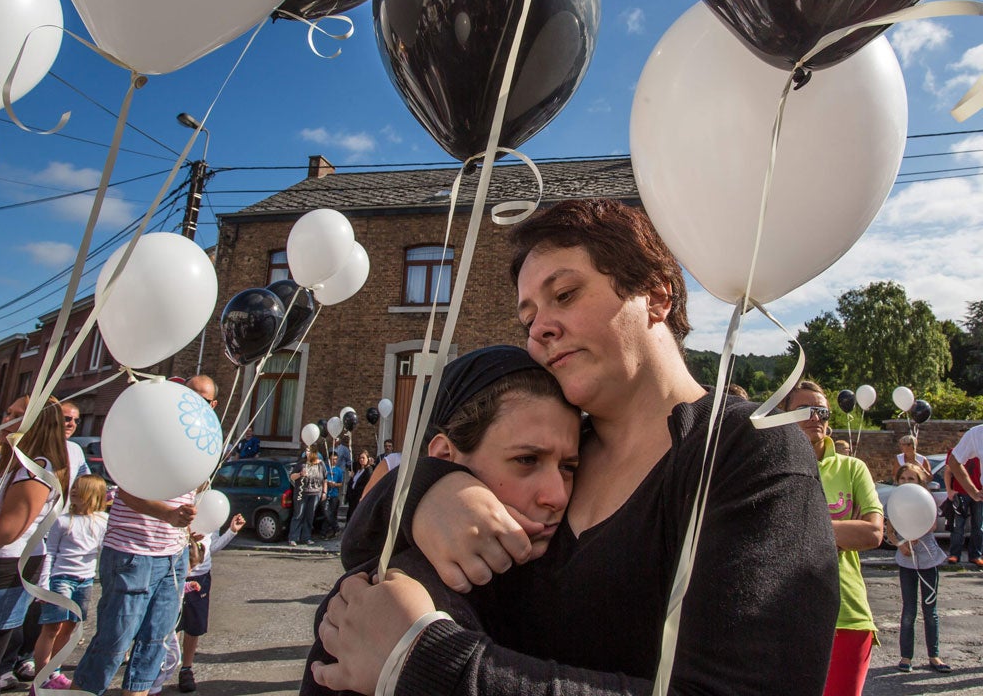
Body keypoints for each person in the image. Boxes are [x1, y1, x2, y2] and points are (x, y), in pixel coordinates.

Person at [313, 198, 839, 696]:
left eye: (564, 295)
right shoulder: (552, 458)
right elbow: (362, 575)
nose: (540, 328)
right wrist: (428, 489)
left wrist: (426, 664)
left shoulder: (751, 452)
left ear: (656, 295)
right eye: (527, 317)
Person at [301, 345, 581, 696]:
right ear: (445, 456)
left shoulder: (572, 564)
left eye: (569, 468)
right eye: (527, 460)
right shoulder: (392, 604)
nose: (556, 495)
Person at [70, 377, 212, 696]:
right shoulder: (154, 433)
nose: (197, 403)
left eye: (205, 400)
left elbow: (187, 502)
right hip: (131, 553)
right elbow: (126, 489)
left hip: (172, 557)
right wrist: (168, 515)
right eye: (191, 395)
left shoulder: (202, 444)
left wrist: (188, 533)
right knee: (113, 644)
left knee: (155, 646)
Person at [0, 397, 69, 696]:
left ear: (39, 422)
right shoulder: (4, 459)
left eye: (19, 414)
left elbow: (6, 531)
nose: (8, 418)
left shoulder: (37, 468)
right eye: (8, 411)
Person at [784, 380, 883, 696]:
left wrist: (803, 530)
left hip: (847, 615)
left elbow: (873, 532)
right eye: (805, 410)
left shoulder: (853, 468)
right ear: (782, 415)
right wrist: (840, 533)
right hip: (782, 615)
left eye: (822, 411)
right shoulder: (770, 467)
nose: (816, 417)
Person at [32, 473, 109, 689]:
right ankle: (40, 679)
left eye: (80, 487)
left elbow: (105, 550)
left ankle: (53, 670)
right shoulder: (63, 520)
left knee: (69, 628)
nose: (73, 490)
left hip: (84, 581)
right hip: (60, 579)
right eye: (73, 487)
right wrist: (44, 583)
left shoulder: (103, 521)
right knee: (51, 627)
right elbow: (50, 553)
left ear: (93, 494)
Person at [887, 464, 952, 674]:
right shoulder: (895, 499)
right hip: (906, 559)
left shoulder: (926, 498)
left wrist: (914, 536)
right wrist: (900, 544)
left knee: (930, 609)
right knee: (908, 609)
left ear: (920, 481)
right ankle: (906, 656)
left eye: (911, 478)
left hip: (928, 558)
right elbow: (890, 530)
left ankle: (934, 655)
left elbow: (931, 524)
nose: (907, 482)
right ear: (898, 481)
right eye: (903, 478)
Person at [171, 512, 246, 693]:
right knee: (171, 625)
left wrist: (231, 532)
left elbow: (211, 548)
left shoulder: (210, 507)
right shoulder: (179, 504)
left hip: (201, 576)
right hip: (174, 572)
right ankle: (164, 664)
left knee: (193, 625)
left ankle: (186, 669)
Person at [946, 423, 983, 567]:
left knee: (978, 527)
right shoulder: (977, 434)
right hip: (962, 493)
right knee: (958, 527)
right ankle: (955, 554)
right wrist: (972, 491)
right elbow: (953, 463)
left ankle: (975, 555)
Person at [289, 450, 327, 546]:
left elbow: (325, 479)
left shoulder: (321, 465)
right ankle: (293, 537)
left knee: (310, 516)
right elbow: (292, 477)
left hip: (315, 493)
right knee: (298, 514)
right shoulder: (301, 464)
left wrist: (324, 492)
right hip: (302, 493)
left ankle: (306, 537)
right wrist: (300, 474)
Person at [321, 453, 345, 539]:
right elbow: (321, 480)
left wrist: (335, 484)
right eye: (332, 459)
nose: (334, 461)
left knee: (332, 514)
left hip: (334, 494)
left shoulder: (339, 470)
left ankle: (325, 532)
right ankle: (336, 528)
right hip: (325, 494)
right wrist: (327, 483)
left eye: (335, 459)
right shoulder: (325, 469)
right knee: (326, 513)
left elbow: (341, 483)